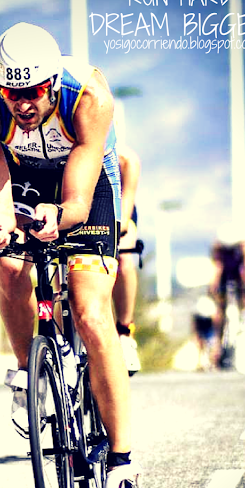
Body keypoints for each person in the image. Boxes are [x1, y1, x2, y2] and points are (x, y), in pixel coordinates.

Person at [0, 22, 146, 488]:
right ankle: (29, 372)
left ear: (53, 82)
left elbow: (78, 202)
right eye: (11, 93)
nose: (22, 104)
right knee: (7, 262)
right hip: (24, 178)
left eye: (34, 92)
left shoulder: (89, 98)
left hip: (87, 186)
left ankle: (122, 469)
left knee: (89, 312)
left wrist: (58, 216)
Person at [209, 222, 245, 367]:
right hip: (226, 275)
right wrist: (214, 287)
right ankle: (219, 340)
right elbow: (217, 268)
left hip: (239, 273)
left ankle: (244, 316)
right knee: (220, 307)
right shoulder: (218, 246)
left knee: (244, 294)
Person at [113, 147, 141, 376]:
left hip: (116, 209)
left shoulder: (126, 161)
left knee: (122, 255)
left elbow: (123, 219)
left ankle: (124, 332)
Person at [192, 294, 217, 370]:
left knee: (210, 345)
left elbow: (214, 320)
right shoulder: (201, 306)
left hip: (208, 327)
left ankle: (210, 363)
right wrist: (196, 334)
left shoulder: (209, 305)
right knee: (202, 346)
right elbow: (195, 322)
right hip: (203, 326)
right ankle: (202, 363)